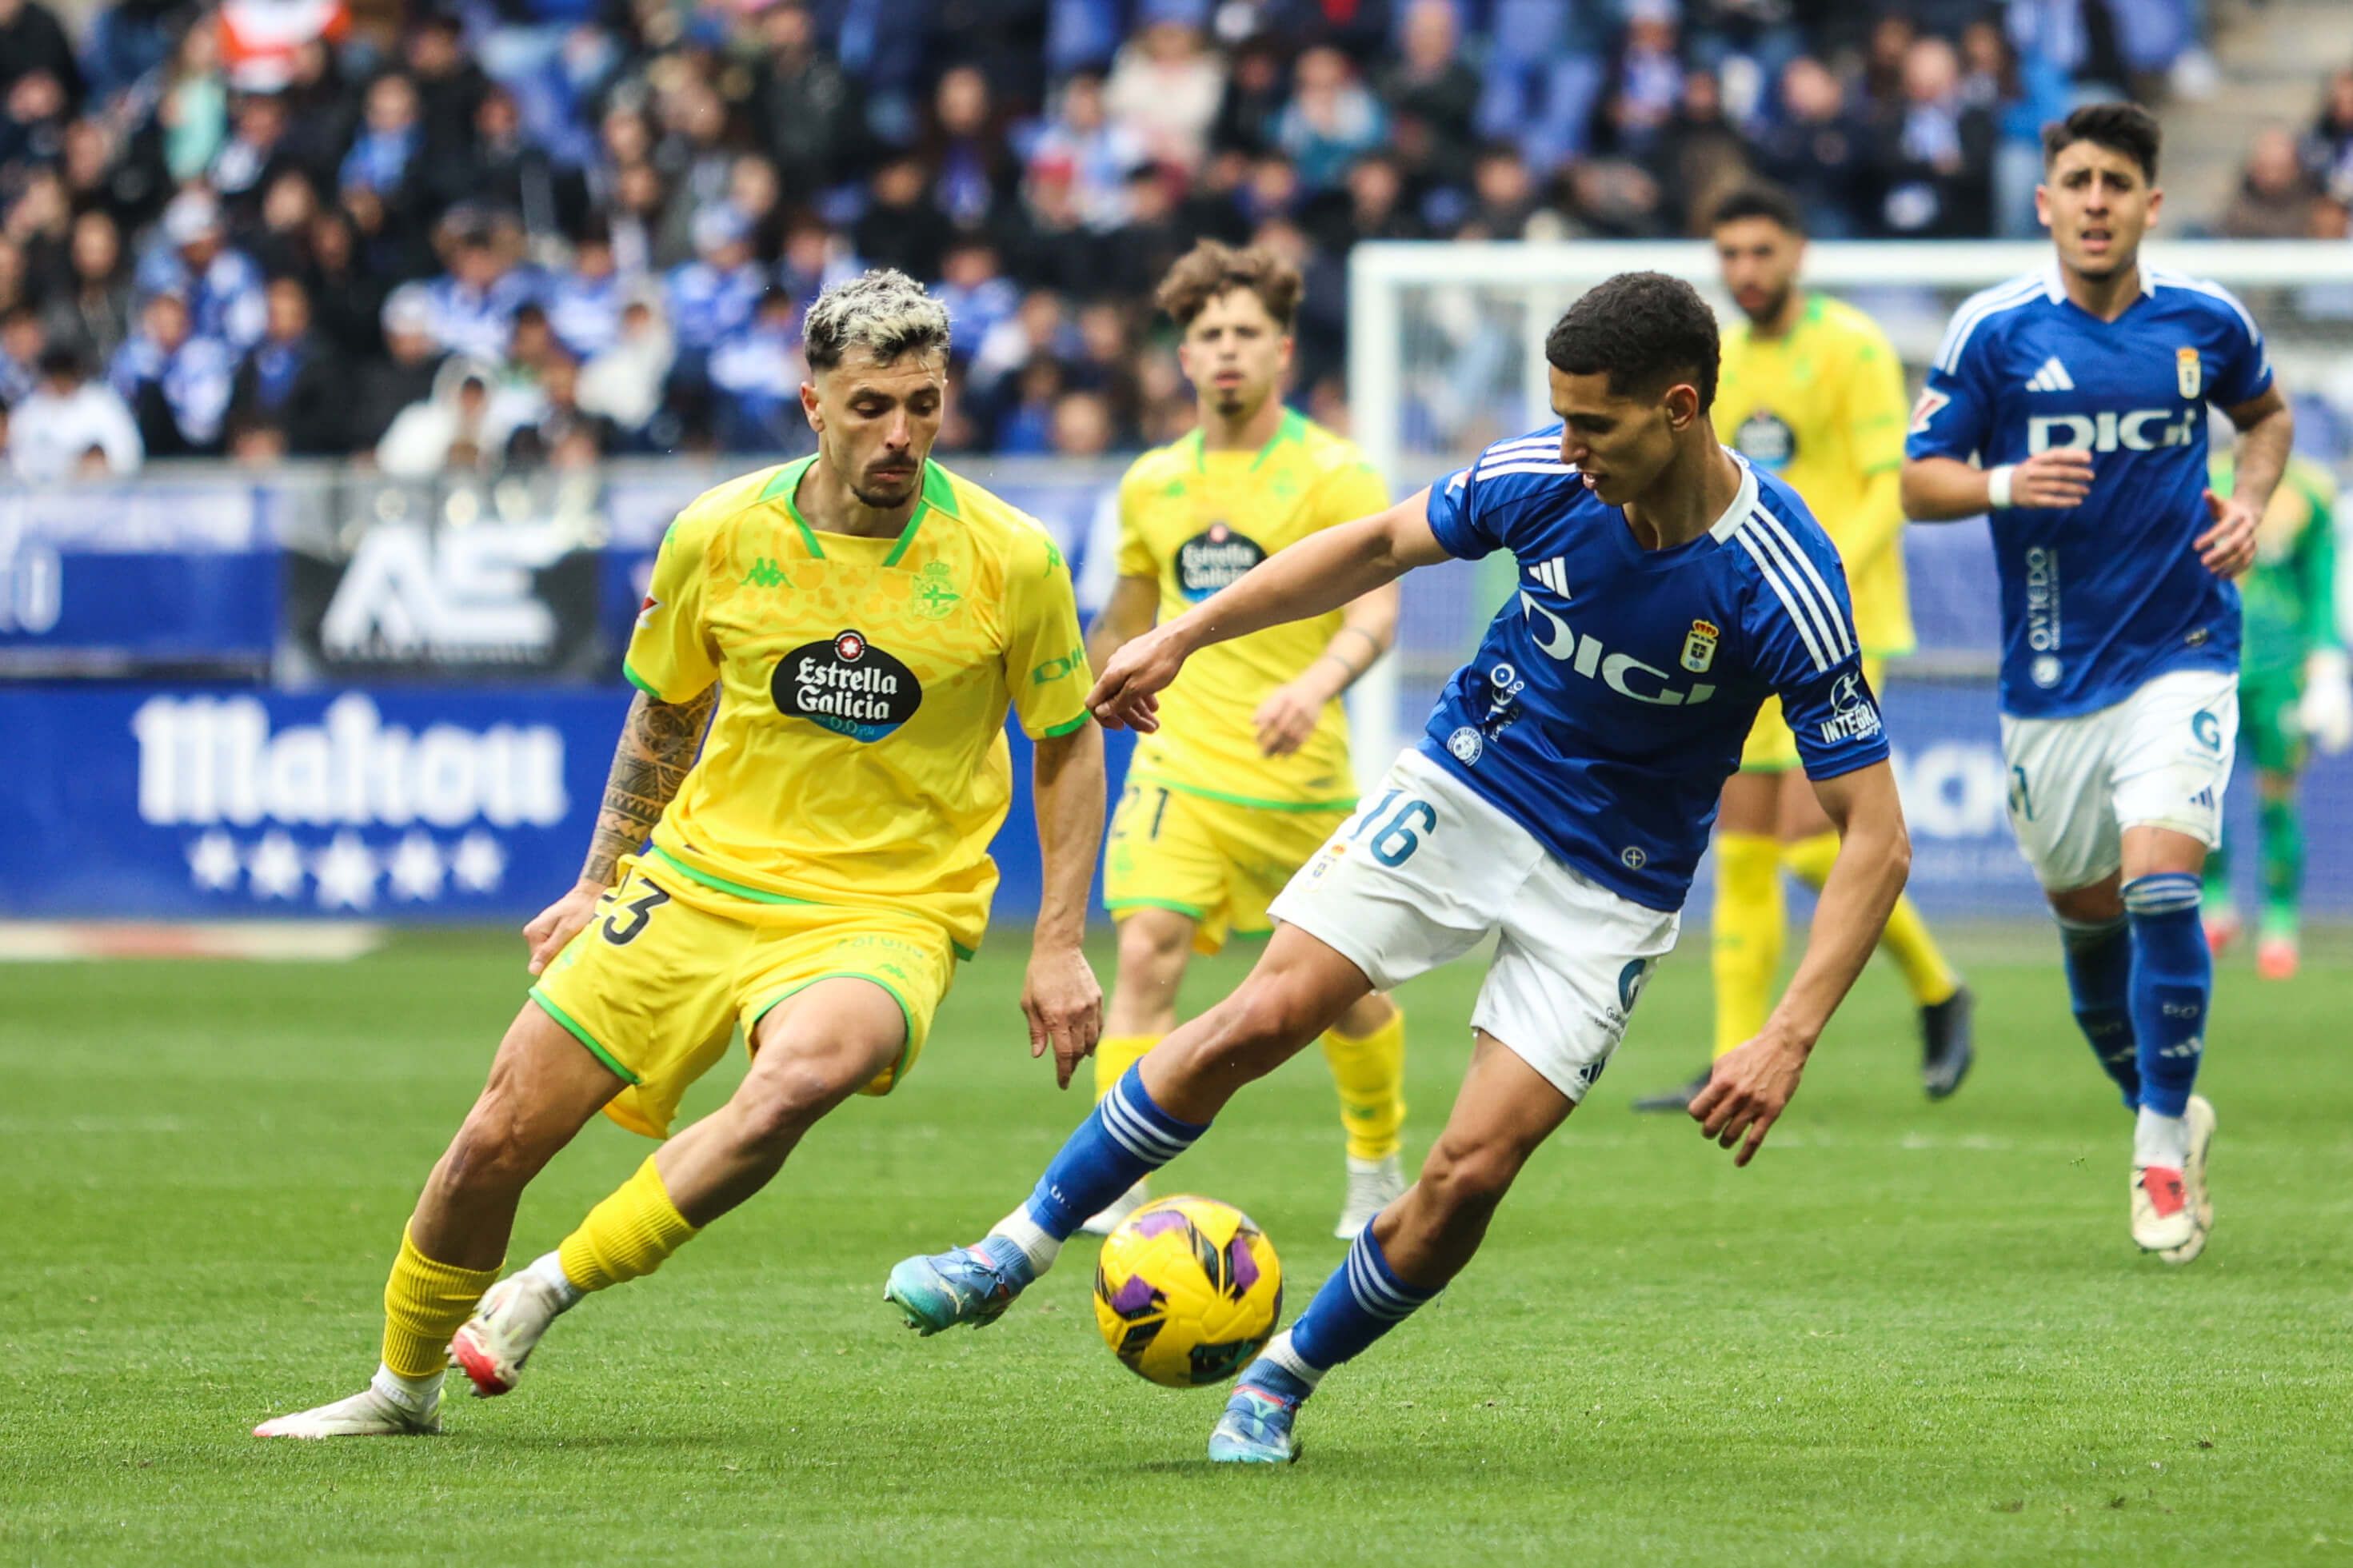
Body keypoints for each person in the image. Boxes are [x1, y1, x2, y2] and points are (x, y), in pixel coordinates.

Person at [885, 271, 1912, 1464]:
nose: (1567, 446)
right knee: (1260, 1015)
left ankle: (1277, 1380)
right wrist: (1179, 633)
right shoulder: (1539, 478)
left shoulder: (1779, 573)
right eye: (1560, 416)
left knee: (1471, 1172)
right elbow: (1376, 546)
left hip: (1613, 884)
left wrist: (1783, 1035)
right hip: (1470, 783)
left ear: (1679, 409)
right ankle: (1010, 1247)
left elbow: (1874, 840)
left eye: (1594, 424)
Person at [254, 270, 1105, 1438]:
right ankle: (400, 1391)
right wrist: (599, 880)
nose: (900, 433)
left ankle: (549, 1286)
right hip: (694, 885)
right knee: (497, 1133)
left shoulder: (1011, 558)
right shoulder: (718, 530)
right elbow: (665, 714)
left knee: (797, 1080)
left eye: (922, 402)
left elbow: (1066, 745)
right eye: (870, 407)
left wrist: (1057, 943)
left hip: (886, 913)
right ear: (813, 403)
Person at [1900, 104, 2294, 1266]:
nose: (2093, 201)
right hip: (2048, 679)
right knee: (2087, 937)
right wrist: (2005, 483)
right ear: (2044, 200)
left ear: (2148, 204)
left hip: (2180, 649)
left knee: (2161, 892)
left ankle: (2158, 1150)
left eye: (2115, 183)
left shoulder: (2202, 321)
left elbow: (2263, 418)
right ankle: (2164, 1102)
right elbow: (1917, 481)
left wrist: (2254, 503)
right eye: (2074, 180)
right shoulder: (1996, 333)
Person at [1084, 241, 1407, 1242]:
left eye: (1243, 333)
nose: (1224, 351)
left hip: (1296, 773)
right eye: (1206, 334)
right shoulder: (1150, 482)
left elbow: (1376, 613)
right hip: (1180, 763)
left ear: (1283, 350)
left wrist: (1315, 683)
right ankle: (1117, 1179)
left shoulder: (1333, 472)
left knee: (1340, 995)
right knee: (1146, 950)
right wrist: (1091, 686)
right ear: (1182, 357)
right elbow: (1129, 613)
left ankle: (1375, 1166)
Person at [1636, 183, 1972, 1112]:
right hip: (1740, 625)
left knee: (1811, 848)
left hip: (1836, 623)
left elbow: (1886, 485)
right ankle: (1724, 1059)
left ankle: (1939, 989)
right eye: (1729, 254)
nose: (1744, 270)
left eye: (1760, 251)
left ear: (1796, 253)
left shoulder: (1853, 347)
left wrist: (1814, 574)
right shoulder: (1721, 358)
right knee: (1739, 848)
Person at [2201, 451, 2348, 977]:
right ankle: (2216, 906)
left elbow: (2324, 578)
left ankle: (2280, 922)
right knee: (2202, 790)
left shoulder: (2312, 488)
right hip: (2212, 657)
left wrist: (2329, 665)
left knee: (2277, 793)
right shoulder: (2205, 479)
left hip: (2283, 665)